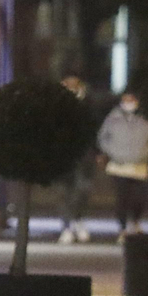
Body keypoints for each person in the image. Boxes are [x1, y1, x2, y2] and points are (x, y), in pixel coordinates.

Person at [98, 88, 148, 238]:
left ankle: (136, 222)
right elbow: (102, 137)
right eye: (126, 99)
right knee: (122, 198)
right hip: (119, 165)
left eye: (132, 99)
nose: (129, 102)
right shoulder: (112, 117)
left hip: (139, 165)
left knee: (139, 198)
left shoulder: (147, 117)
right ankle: (122, 228)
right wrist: (112, 152)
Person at [57, 74, 101, 244]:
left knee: (82, 189)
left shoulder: (89, 104)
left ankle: (78, 220)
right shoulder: (55, 104)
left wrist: (97, 152)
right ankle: (67, 226)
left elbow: (94, 128)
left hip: (84, 154)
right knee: (63, 192)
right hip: (62, 154)